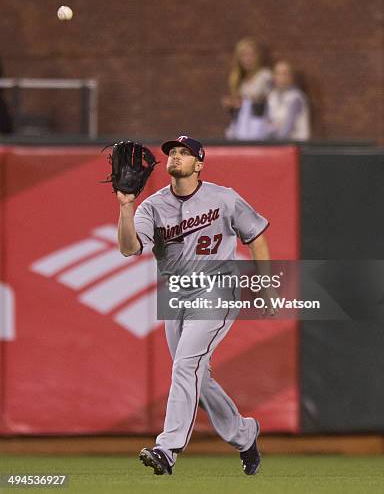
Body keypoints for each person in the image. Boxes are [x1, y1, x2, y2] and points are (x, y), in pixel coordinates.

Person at [117, 135, 276, 476]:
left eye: (184, 153)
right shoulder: (152, 206)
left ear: (199, 164)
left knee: (185, 367)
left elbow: (257, 236)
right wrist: (126, 206)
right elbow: (130, 248)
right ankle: (243, 433)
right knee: (196, 377)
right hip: (175, 296)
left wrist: (264, 285)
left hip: (217, 290)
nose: (175, 156)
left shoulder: (224, 198)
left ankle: (168, 448)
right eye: (172, 152)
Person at [222, 38, 273, 141]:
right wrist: (232, 105)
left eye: (251, 55)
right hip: (242, 125)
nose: (248, 59)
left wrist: (249, 100)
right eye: (244, 55)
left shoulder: (265, 76)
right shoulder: (239, 80)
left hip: (260, 126)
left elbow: (271, 101)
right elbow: (238, 109)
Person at [266, 60, 310, 141]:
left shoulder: (296, 98)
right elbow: (266, 124)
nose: (281, 77)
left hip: (296, 145)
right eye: (278, 73)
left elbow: (286, 131)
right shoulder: (271, 96)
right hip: (276, 144)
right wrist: (274, 128)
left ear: (291, 77)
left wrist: (274, 128)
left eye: (285, 74)